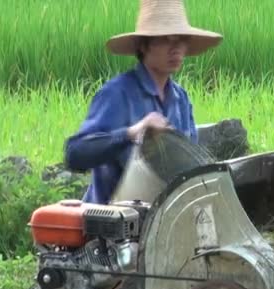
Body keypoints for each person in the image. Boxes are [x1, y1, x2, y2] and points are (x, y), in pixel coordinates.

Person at [64, 0, 222, 204]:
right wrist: (132, 133)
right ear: (143, 45)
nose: (175, 48)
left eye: (181, 39)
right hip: (111, 224)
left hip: (163, 221)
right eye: (165, 39)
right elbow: (75, 154)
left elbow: (188, 169)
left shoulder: (181, 100)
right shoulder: (118, 93)